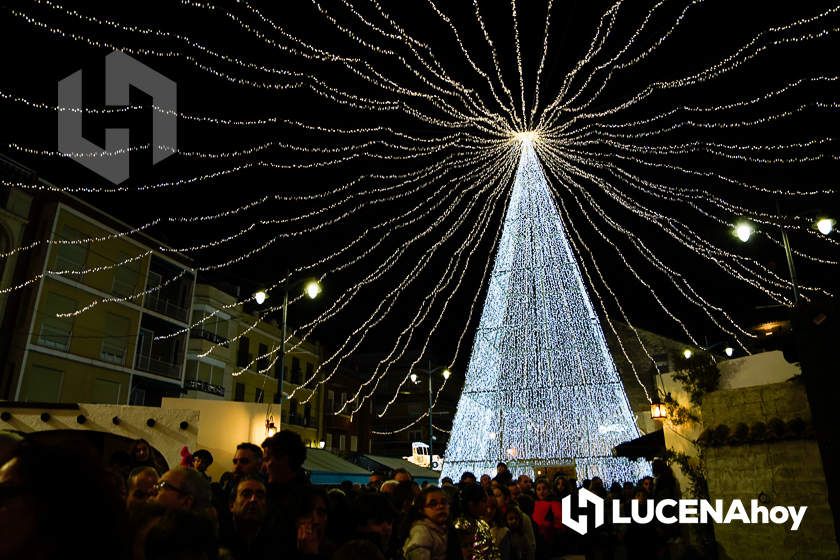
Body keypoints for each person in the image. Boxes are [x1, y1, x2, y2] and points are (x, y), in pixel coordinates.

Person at [220, 476, 271, 560]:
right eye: (246, 494)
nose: (253, 499)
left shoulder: (276, 539)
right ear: (232, 505)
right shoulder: (217, 537)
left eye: (260, 496)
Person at [403, 486, 451, 560]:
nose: (440, 506)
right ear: (421, 510)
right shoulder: (421, 533)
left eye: (444, 502)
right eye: (433, 504)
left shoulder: (443, 529)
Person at [454, 483, 500, 560]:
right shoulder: (458, 527)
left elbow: (493, 551)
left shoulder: (483, 524)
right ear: (471, 503)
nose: (486, 505)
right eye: (483, 501)